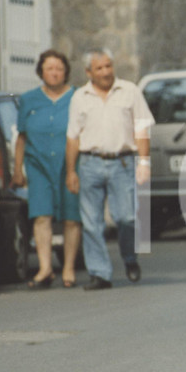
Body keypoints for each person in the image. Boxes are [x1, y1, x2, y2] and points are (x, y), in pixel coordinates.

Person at [65, 48, 155, 291]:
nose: (105, 72)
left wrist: (144, 162)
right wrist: (71, 171)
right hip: (90, 163)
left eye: (108, 66)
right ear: (89, 72)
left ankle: (129, 257)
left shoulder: (129, 91)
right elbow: (73, 137)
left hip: (122, 162)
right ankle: (100, 273)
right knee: (91, 222)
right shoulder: (80, 97)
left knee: (126, 217)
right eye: (99, 68)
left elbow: (142, 128)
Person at [13, 49, 83, 288]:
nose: (54, 73)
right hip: (38, 164)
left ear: (66, 72)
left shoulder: (78, 97)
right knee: (41, 215)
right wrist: (17, 169)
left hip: (70, 164)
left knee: (71, 217)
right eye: (49, 68)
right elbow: (22, 136)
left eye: (59, 69)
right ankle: (45, 269)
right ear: (41, 72)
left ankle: (68, 268)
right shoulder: (29, 99)